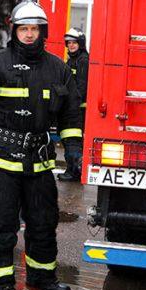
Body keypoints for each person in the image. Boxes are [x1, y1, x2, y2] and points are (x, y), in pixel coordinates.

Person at [0, 0, 83, 290]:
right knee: (2, 226)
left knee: (43, 224)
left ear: (43, 32)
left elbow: (71, 113)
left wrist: (74, 148)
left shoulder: (58, 69)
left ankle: (42, 280)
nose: (28, 34)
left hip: (38, 164)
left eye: (34, 29)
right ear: (15, 31)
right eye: (23, 29)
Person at [57, 27, 88, 182]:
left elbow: (81, 87)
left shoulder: (83, 61)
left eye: (74, 42)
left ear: (80, 43)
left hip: (78, 109)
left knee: (73, 140)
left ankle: (74, 171)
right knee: (69, 139)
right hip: (72, 107)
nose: (71, 45)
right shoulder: (72, 60)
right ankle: (73, 169)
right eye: (68, 43)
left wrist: (70, 102)